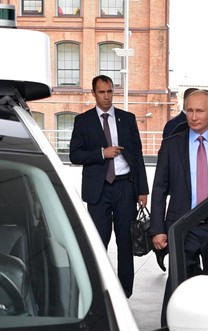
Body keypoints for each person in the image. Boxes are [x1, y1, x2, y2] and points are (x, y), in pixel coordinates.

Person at [150, 89, 208, 325]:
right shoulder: (171, 146)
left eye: (199, 111)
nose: (193, 117)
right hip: (183, 228)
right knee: (179, 290)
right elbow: (160, 188)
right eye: (189, 110)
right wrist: (157, 228)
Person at [69, 75, 149, 298]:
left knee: (125, 242)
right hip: (99, 190)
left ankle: (125, 291)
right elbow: (75, 154)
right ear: (93, 94)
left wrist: (142, 190)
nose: (106, 96)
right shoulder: (83, 121)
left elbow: (138, 155)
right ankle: (98, 289)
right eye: (102, 92)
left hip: (125, 188)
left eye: (110, 92)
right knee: (98, 242)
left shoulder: (127, 119)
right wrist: (101, 154)